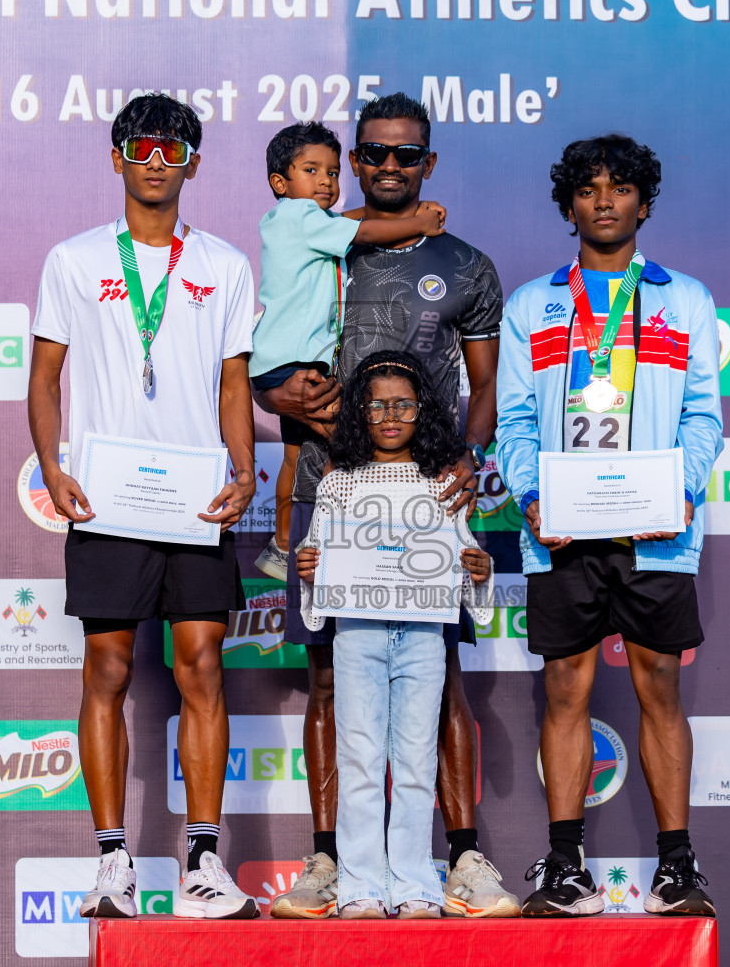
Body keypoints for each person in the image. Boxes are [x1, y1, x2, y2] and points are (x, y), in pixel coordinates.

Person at [257, 93, 516, 920]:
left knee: (440, 690)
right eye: (374, 153)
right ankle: (332, 863)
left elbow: (487, 388)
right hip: (330, 496)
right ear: (355, 161)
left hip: (425, 504)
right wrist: (283, 401)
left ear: (429, 162)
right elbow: (272, 369)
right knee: (329, 684)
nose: (391, 167)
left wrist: (471, 461)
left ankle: (462, 858)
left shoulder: (469, 266)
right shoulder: (316, 239)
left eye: (408, 155)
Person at [28, 94, 259, 920]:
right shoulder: (73, 258)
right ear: (117, 156)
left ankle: (203, 860)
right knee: (108, 671)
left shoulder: (227, 265)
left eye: (175, 147)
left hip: (194, 500)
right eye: (143, 145)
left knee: (201, 667)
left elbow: (235, 383)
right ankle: (112, 864)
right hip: (109, 499)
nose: (158, 159)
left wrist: (244, 469)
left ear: (194, 163)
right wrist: (53, 470)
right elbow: (44, 378)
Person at [496, 134, 722, 918]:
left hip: (658, 529)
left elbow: (703, 413)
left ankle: (676, 867)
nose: (603, 200)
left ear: (643, 203)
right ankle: (565, 867)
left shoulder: (684, 298)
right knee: (566, 689)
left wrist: (684, 487)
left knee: (660, 684)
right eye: (587, 188)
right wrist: (531, 496)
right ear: (568, 206)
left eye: (619, 188)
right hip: (562, 529)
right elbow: (516, 418)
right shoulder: (533, 304)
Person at [295, 351, 494, 919]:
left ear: (423, 410)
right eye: (376, 404)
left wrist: (479, 569)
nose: (389, 415)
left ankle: (413, 884)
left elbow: (465, 553)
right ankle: (358, 885)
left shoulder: (440, 484)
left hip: (424, 635)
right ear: (359, 412)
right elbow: (316, 554)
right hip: (356, 632)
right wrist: (312, 570)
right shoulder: (337, 485)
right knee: (358, 757)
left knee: (413, 760)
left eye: (403, 404)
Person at [249, 121, 447, 581]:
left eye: (333, 172)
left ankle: (281, 546)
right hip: (295, 363)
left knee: (296, 457)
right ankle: (350, 532)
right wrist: (419, 222)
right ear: (280, 183)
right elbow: (360, 233)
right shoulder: (300, 219)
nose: (326, 181)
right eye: (311, 170)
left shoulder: (295, 221)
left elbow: (347, 221)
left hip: (279, 363)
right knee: (351, 438)